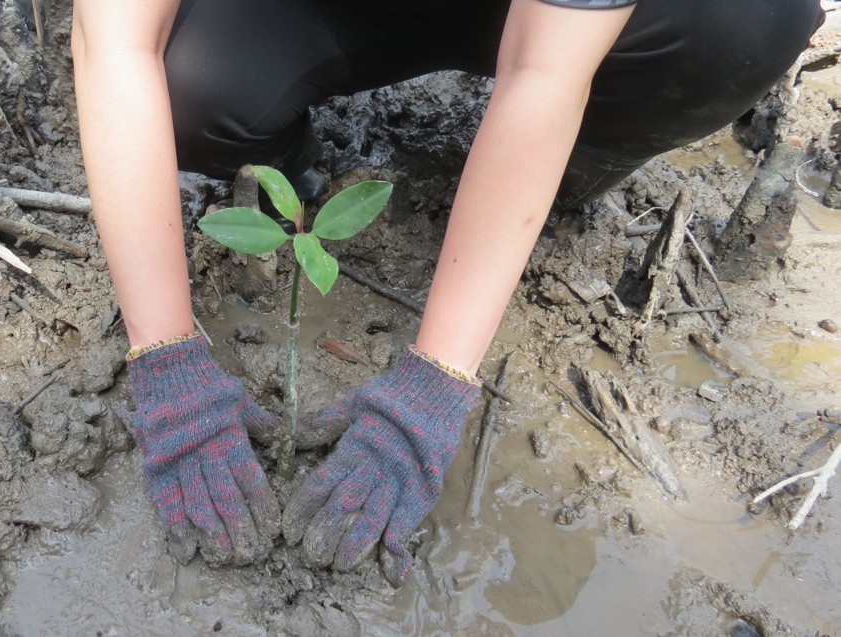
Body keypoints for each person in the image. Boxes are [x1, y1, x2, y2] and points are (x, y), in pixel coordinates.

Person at [70, 0, 823, 585]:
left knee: (747, 23)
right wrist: (164, 354)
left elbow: (545, 68)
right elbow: (113, 40)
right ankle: (290, 172)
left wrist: (433, 386)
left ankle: (573, 171)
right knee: (188, 82)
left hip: (576, 29)